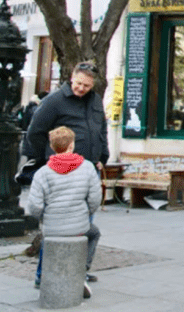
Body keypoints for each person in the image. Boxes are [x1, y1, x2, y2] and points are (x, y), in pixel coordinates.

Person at [21, 61, 108, 287]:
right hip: (62, 173)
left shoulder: (96, 101)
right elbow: (35, 132)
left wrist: (102, 157)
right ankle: (43, 275)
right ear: (72, 77)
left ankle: (78, 270)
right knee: (57, 230)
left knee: (85, 228)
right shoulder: (54, 101)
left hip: (88, 170)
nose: (82, 88)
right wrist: (48, 158)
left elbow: (101, 130)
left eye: (87, 86)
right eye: (79, 83)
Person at [26, 126, 100, 298]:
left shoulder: (42, 173)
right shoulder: (88, 168)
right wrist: (84, 213)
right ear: (72, 145)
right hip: (79, 226)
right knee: (94, 233)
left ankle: (43, 276)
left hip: (52, 227)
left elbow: (34, 207)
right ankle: (81, 271)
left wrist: (47, 218)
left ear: (52, 147)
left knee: (48, 238)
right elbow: (95, 200)